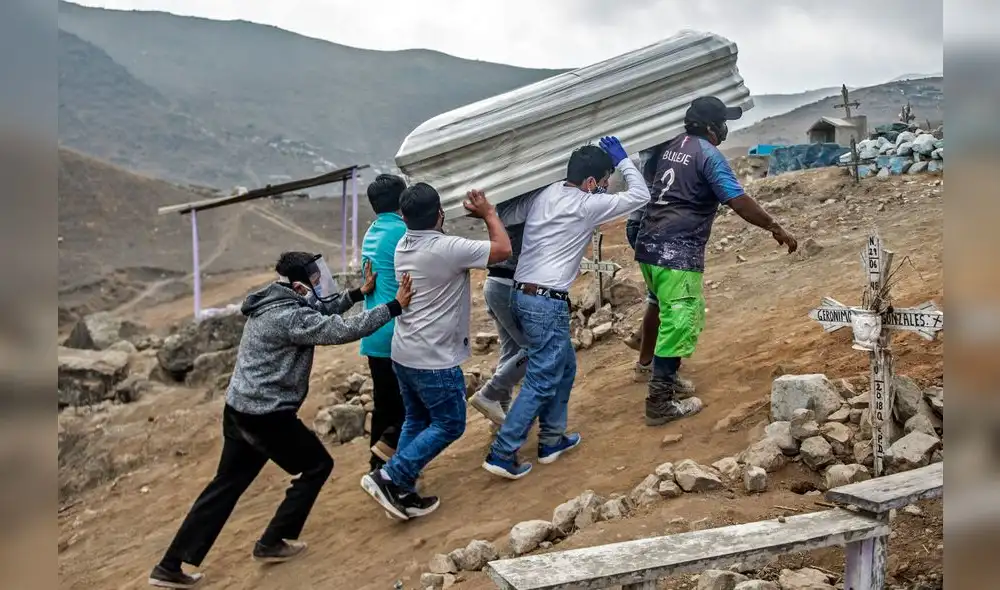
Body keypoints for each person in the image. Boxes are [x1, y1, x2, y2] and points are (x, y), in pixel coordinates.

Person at [148, 252, 412, 589]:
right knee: (317, 466)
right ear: (299, 285)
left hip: (240, 408)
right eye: (315, 280)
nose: (320, 283)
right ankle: (273, 540)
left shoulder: (276, 300)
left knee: (225, 485)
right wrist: (394, 306)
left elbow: (318, 313)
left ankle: (169, 565)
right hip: (266, 416)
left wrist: (357, 294)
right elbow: (339, 329)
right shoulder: (287, 316)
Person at [482, 136, 650, 480]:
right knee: (543, 377)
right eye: (602, 182)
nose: (604, 188)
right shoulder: (587, 204)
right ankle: (502, 452)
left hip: (524, 294)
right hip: (544, 301)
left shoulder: (548, 193)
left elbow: (507, 212)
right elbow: (640, 196)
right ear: (590, 182)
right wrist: (622, 161)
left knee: (566, 367)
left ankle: (552, 439)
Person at [634, 96, 798, 427]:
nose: (726, 128)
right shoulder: (708, 155)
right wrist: (774, 226)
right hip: (677, 251)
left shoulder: (668, 147)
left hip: (649, 246)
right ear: (712, 127)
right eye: (723, 122)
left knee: (670, 311)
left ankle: (667, 374)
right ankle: (660, 401)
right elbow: (737, 199)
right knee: (680, 319)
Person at [360, 184, 512, 520]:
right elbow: (502, 249)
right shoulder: (446, 247)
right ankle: (389, 477)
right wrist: (488, 213)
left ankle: (402, 490)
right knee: (450, 423)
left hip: (404, 352)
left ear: (404, 216)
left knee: (417, 419)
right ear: (439, 214)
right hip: (433, 359)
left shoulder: (403, 244)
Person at [623, 150, 696, 393]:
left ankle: (645, 362)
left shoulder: (664, 141)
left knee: (659, 299)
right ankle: (664, 376)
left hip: (644, 222)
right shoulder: (668, 144)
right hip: (654, 224)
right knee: (673, 301)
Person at [467, 189, 541, 426]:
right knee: (535, 348)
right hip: (509, 286)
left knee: (511, 350)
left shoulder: (505, 204)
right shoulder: (527, 204)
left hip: (496, 284)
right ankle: (489, 395)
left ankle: (500, 414)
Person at [360, 174, 409, 471]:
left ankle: (376, 468)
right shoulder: (404, 231)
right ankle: (392, 465)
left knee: (385, 405)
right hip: (398, 331)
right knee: (413, 404)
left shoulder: (372, 232)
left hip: (374, 331)